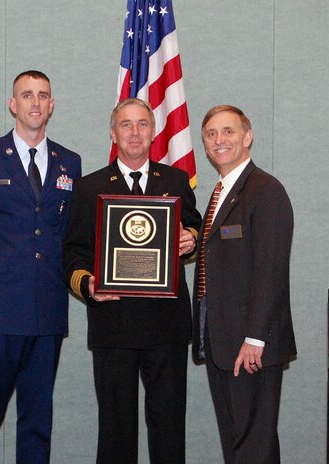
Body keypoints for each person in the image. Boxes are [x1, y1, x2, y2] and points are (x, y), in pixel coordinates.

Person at [0, 70, 82, 464]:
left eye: (43, 95)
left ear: (52, 105)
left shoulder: (70, 163)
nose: (35, 102)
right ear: (13, 104)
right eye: (27, 95)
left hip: (46, 312)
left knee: (37, 422)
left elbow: (67, 235)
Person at [63, 98, 201, 464]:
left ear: (154, 132)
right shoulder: (89, 187)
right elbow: (73, 253)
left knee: (169, 428)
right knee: (115, 430)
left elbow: (194, 226)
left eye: (143, 124)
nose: (135, 132)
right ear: (113, 133)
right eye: (126, 124)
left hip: (167, 326)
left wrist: (190, 237)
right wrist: (89, 285)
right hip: (114, 327)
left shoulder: (174, 180)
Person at [193, 105, 296, 464]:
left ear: (247, 137)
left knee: (254, 446)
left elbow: (271, 271)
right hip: (222, 340)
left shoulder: (265, 190)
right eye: (211, 134)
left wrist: (255, 339)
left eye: (228, 132)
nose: (219, 140)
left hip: (249, 345)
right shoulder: (223, 190)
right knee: (238, 444)